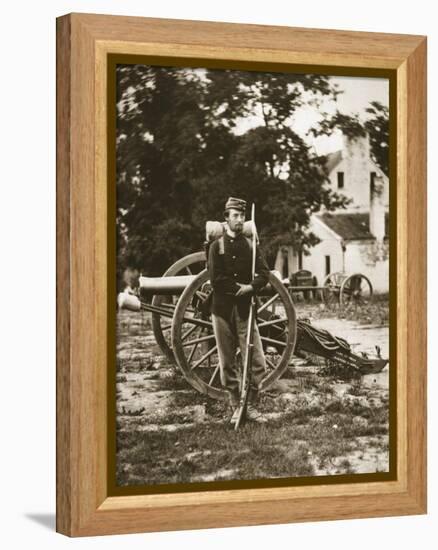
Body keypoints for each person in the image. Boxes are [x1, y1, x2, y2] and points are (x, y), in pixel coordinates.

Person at [207, 197, 270, 424]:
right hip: (222, 310)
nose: (239, 219)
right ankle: (235, 405)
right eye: (235, 215)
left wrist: (252, 287)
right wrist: (240, 289)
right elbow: (216, 280)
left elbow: (264, 273)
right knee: (227, 362)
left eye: (242, 216)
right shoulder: (216, 247)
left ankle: (250, 405)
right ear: (226, 218)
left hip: (245, 310)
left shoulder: (251, 246)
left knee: (257, 360)